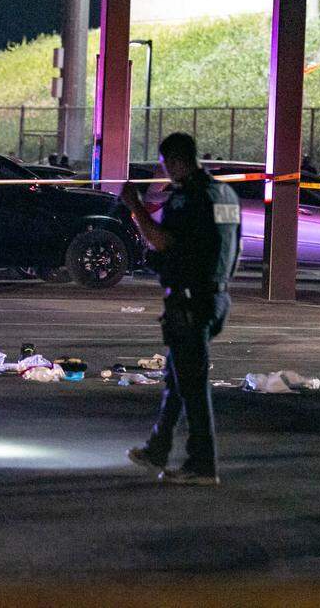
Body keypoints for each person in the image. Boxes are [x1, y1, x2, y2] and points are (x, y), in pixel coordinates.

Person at [119, 132, 240, 486]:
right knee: (177, 379)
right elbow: (232, 245)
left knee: (193, 386)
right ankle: (159, 445)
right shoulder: (226, 194)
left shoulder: (187, 198)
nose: (164, 171)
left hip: (190, 299)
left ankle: (202, 465)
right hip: (216, 297)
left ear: (174, 160)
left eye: (164, 164)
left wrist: (134, 206)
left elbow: (161, 240)